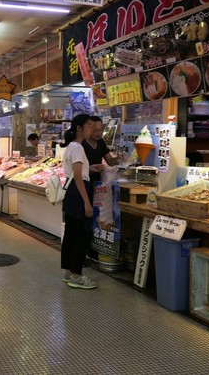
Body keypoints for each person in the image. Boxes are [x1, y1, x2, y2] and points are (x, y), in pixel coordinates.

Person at [61, 113, 96, 289]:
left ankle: (68, 272)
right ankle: (76, 275)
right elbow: (77, 176)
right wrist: (87, 202)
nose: (92, 129)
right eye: (89, 126)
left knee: (71, 235)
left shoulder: (71, 147)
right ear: (79, 128)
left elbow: (77, 172)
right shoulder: (78, 148)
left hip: (71, 193)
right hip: (78, 193)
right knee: (82, 235)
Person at [82, 116, 120, 183]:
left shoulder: (101, 142)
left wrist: (120, 159)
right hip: (83, 182)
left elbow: (110, 161)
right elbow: (77, 171)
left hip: (97, 183)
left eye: (101, 130)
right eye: (95, 131)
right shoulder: (81, 144)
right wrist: (91, 169)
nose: (99, 133)